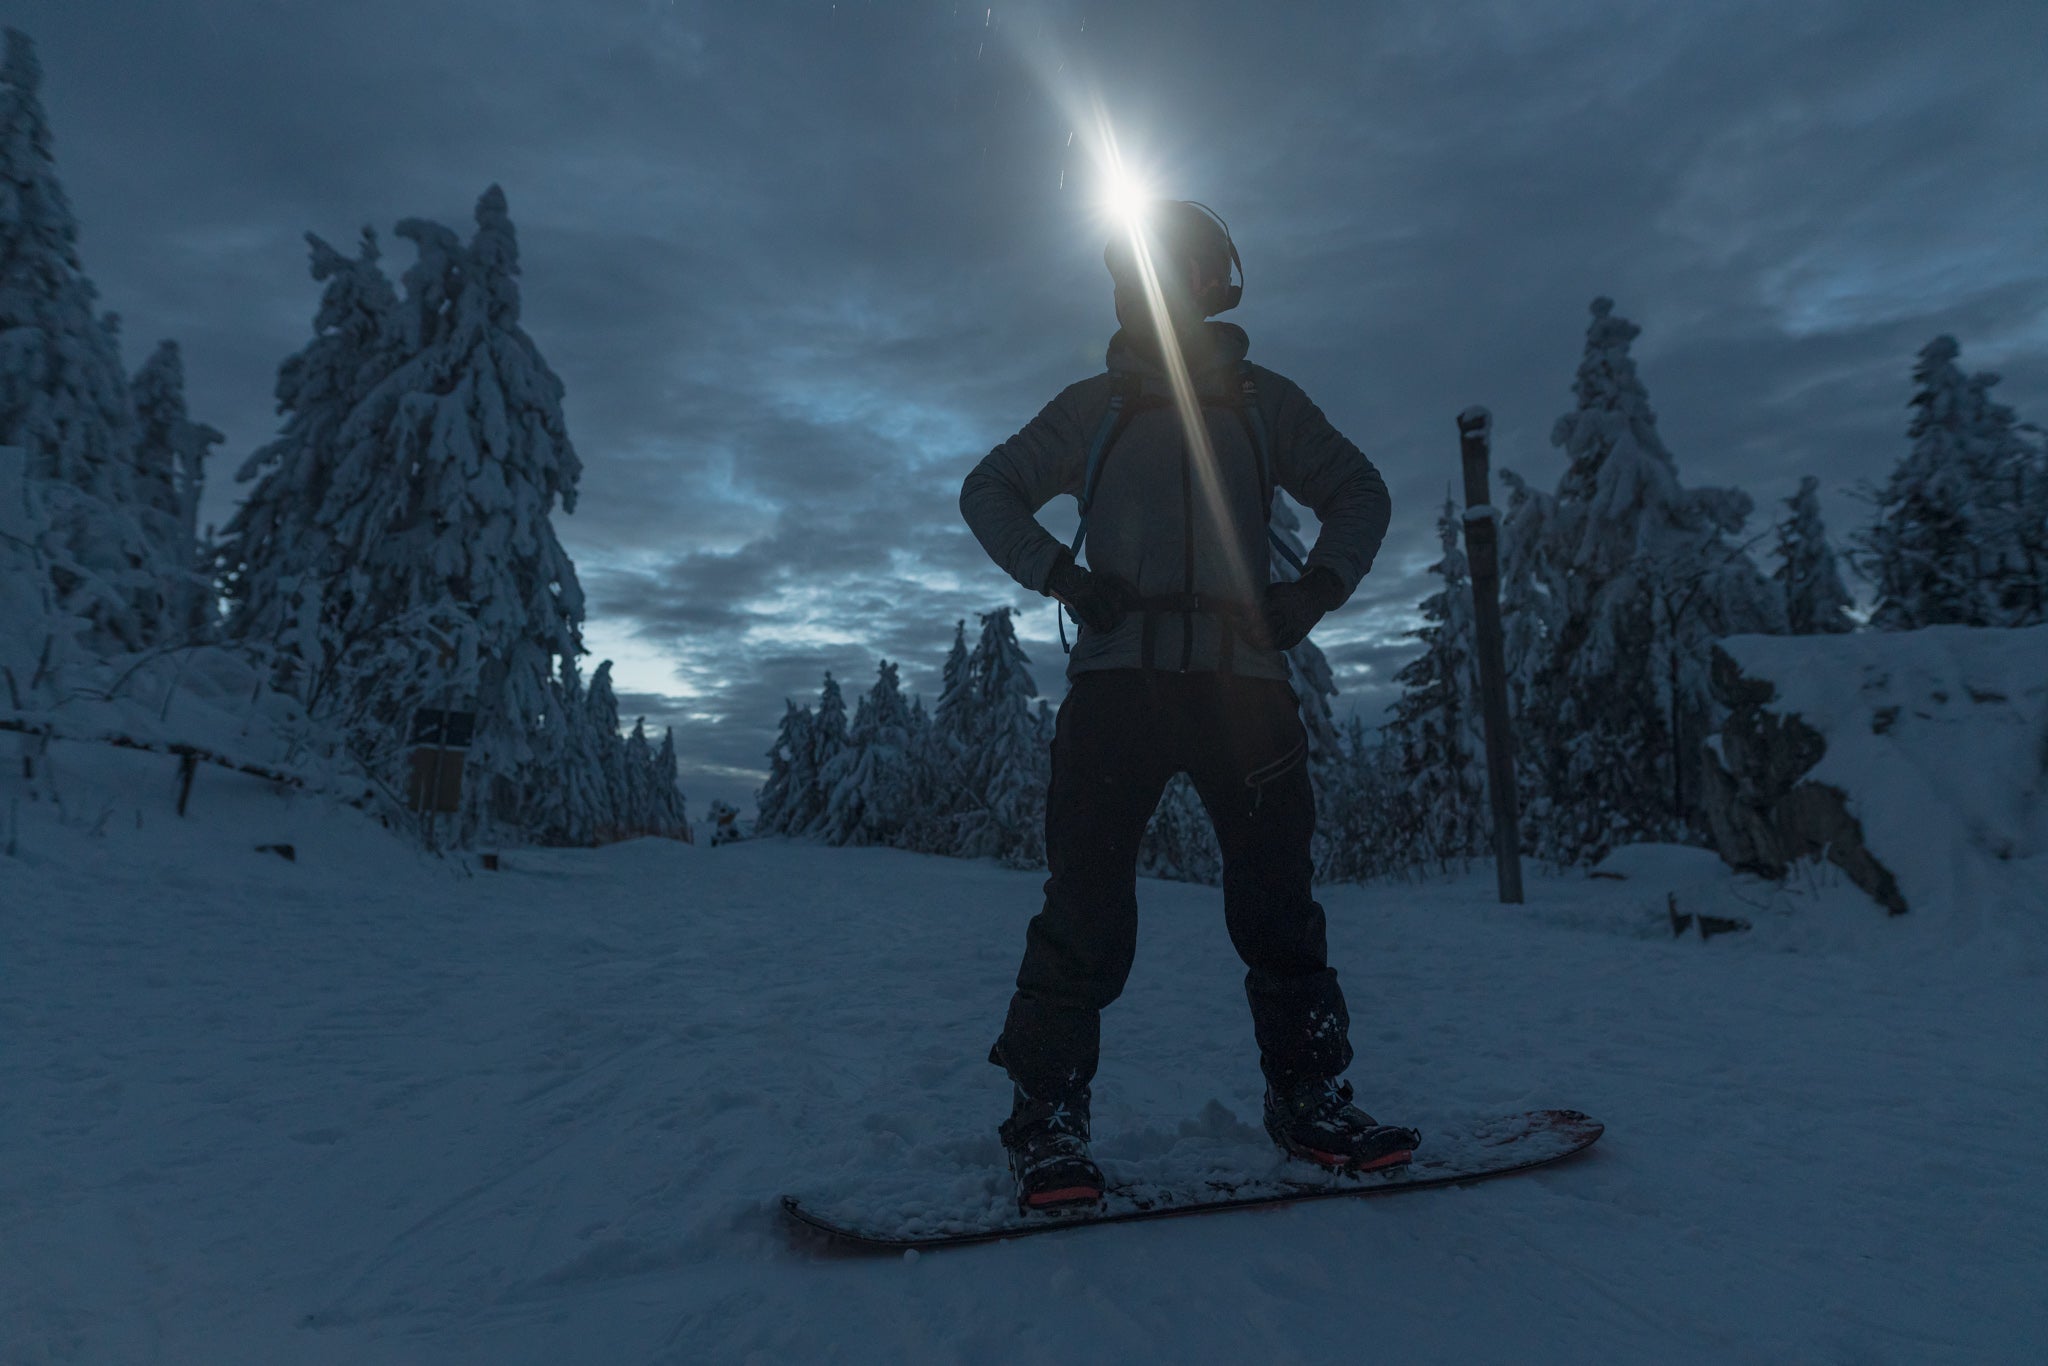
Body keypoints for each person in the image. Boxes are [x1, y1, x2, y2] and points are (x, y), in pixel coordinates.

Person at [958, 200, 1413, 1211]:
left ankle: (1310, 1099)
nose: (1154, 291)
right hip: (1134, 690)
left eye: (1173, 273)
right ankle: (1048, 1121)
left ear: (1211, 286)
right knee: (1086, 909)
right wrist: (1063, 578)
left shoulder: (1259, 402)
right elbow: (988, 488)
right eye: (1141, 275)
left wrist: (1314, 590)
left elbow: (1360, 491)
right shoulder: (1096, 406)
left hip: (1233, 692)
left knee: (1275, 907)